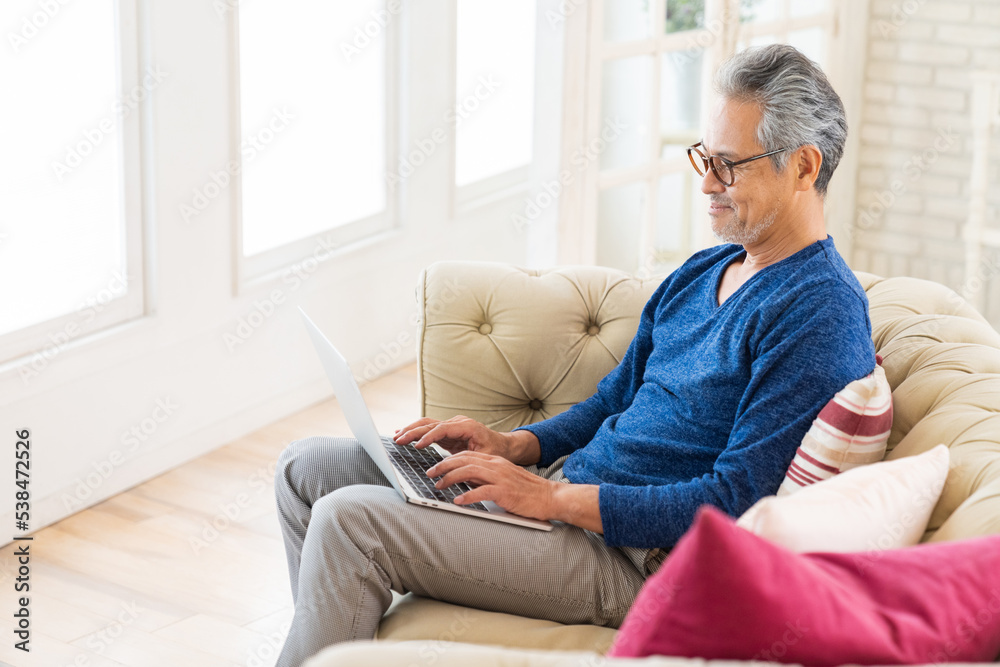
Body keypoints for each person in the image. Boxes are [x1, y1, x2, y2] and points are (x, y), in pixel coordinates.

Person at [273, 43, 876, 666]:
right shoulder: (705, 270)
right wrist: (515, 447)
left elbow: (735, 502)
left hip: (636, 558)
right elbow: (614, 400)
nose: (705, 184)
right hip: (570, 495)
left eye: (728, 166)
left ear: (804, 166)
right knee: (305, 469)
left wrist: (549, 501)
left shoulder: (818, 312)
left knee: (351, 520)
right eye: (704, 158)